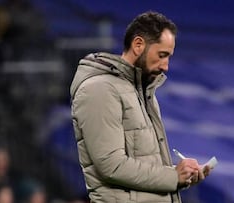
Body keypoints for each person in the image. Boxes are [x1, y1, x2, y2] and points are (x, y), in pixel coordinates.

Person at [70, 11, 211, 202]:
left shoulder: (142, 90)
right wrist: (173, 176)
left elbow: (143, 164)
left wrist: (181, 175)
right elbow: (111, 166)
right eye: (162, 55)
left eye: (169, 57)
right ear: (138, 45)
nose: (166, 66)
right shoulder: (99, 89)